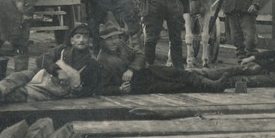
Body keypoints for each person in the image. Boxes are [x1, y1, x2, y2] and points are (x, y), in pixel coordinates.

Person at [0, 24, 100, 106]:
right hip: (42, 74)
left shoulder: (91, 64)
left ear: (90, 41)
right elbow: (41, 59)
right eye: (78, 37)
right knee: (19, 76)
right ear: (72, 40)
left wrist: (77, 90)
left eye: (85, 37)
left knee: (24, 93)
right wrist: (57, 71)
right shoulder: (62, 50)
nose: (81, 40)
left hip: (55, 90)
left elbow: (90, 89)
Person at [96, 23, 229, 94]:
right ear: (102, 42)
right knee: (177, 87)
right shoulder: (102, 60)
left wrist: (131, 69)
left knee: (179, 73)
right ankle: (213, 87)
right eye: (109, 39)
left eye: (115, 37)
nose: (113, 41)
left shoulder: (121, 45)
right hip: (140, 85)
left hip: (149, 71)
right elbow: (101, 88)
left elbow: (140, 54)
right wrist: (119, 90)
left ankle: (213, 84)